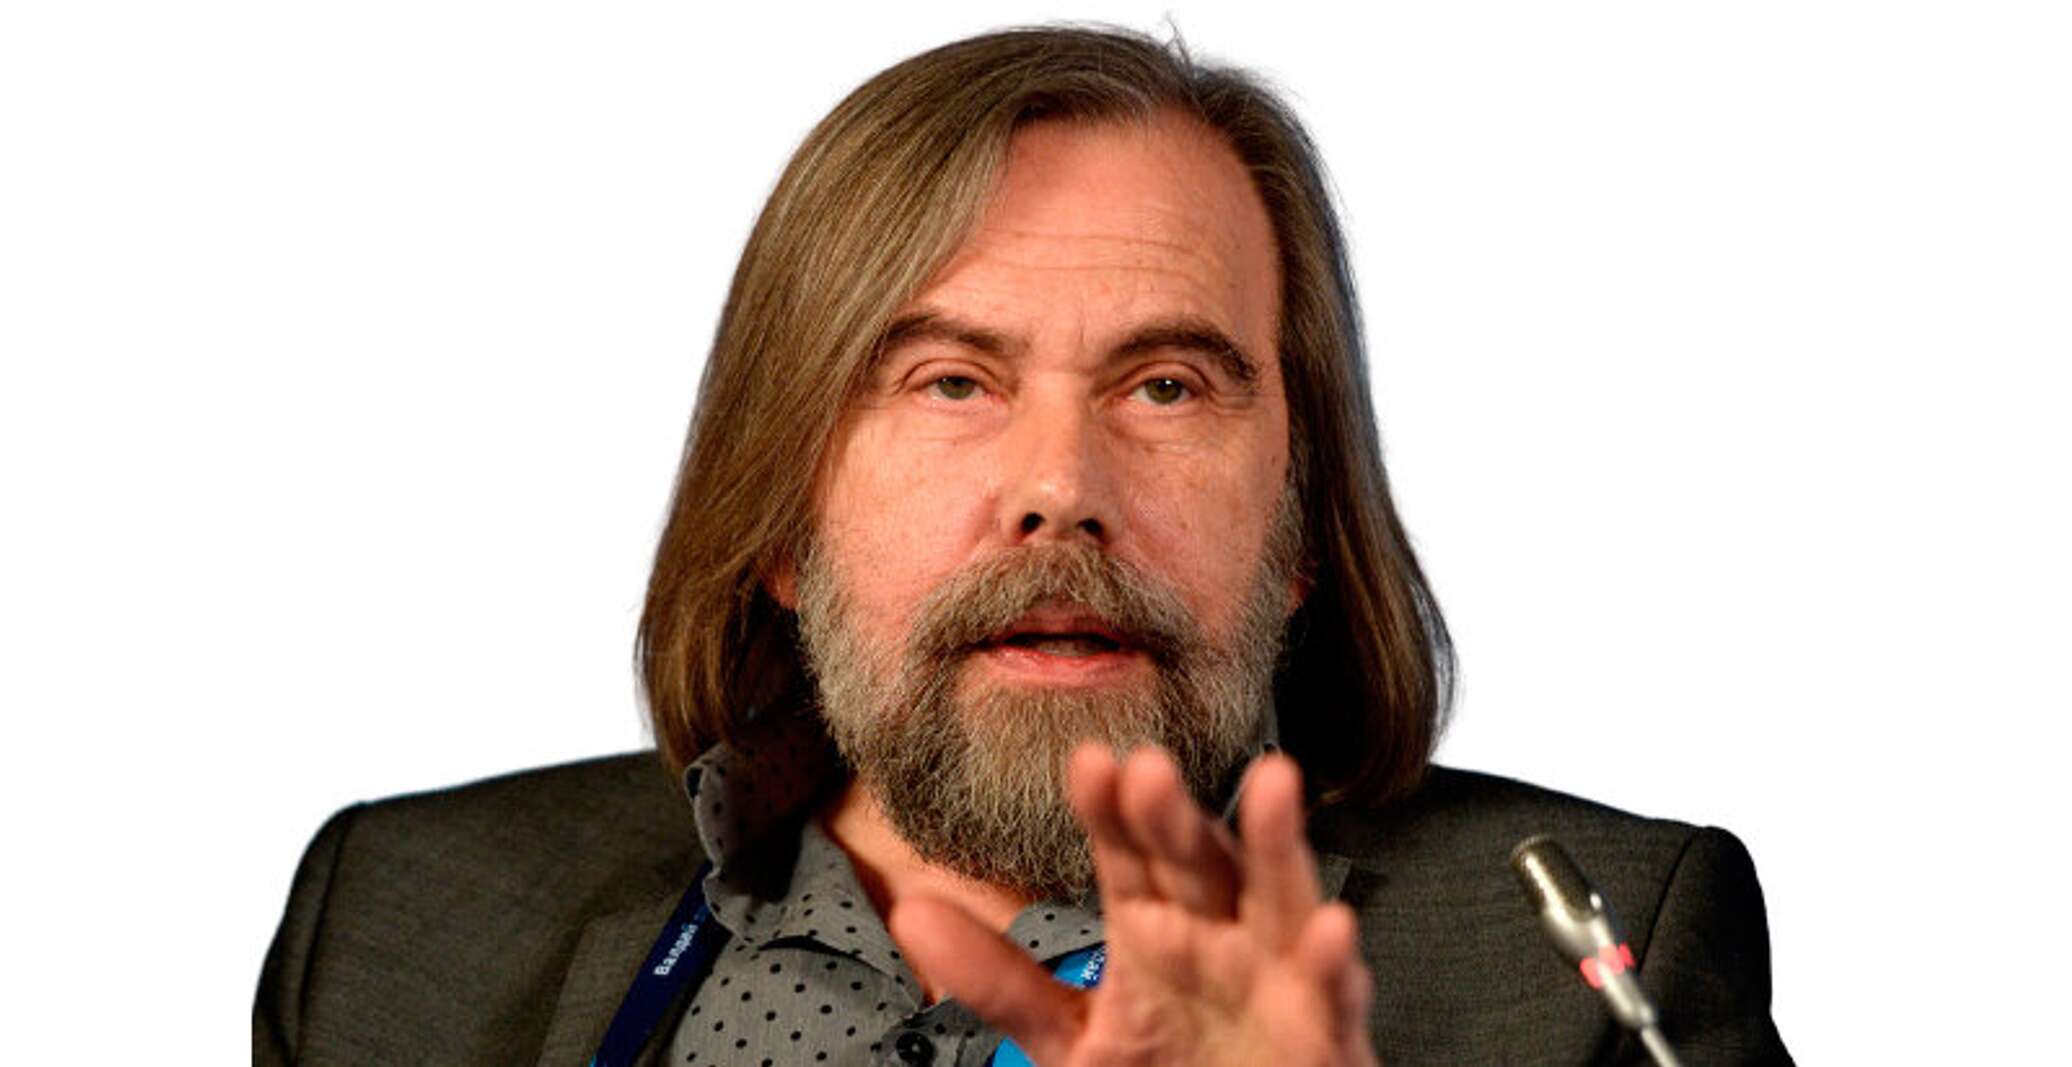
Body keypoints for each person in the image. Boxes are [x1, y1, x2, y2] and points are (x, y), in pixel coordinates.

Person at [255, 25, 1790, 1066]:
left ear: (1305, 529)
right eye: (950, 383)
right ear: (777, 515)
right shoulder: (395, 925)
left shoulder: (1593, 965)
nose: (1060, 487)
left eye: (1167, 386)